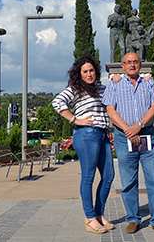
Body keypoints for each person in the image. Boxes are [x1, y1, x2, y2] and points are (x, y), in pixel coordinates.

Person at [102, 52, 154, 235]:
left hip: (146, 135)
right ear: (122, 66)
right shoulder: (114, 84)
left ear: (140, 64)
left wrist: (138, 126)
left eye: (135, 62)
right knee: (128, 181)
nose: (132, 65)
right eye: (128, 62)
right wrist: (128, 130)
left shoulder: (149, 83)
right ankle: (133, 218)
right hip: (124, 138)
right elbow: (110, 110)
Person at [52, 56, 115, 234]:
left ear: (96, 71)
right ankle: (89, 218)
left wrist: (116, 80)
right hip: (86, 134)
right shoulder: (75, 89)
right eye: (85, 71)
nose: (89, 74)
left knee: (109, 175)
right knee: (88, 177)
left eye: (91, 70)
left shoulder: (102, 88)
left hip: (103, 135)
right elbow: (57, 102)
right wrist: (74, 119)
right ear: (79, 74)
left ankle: (99, 214)